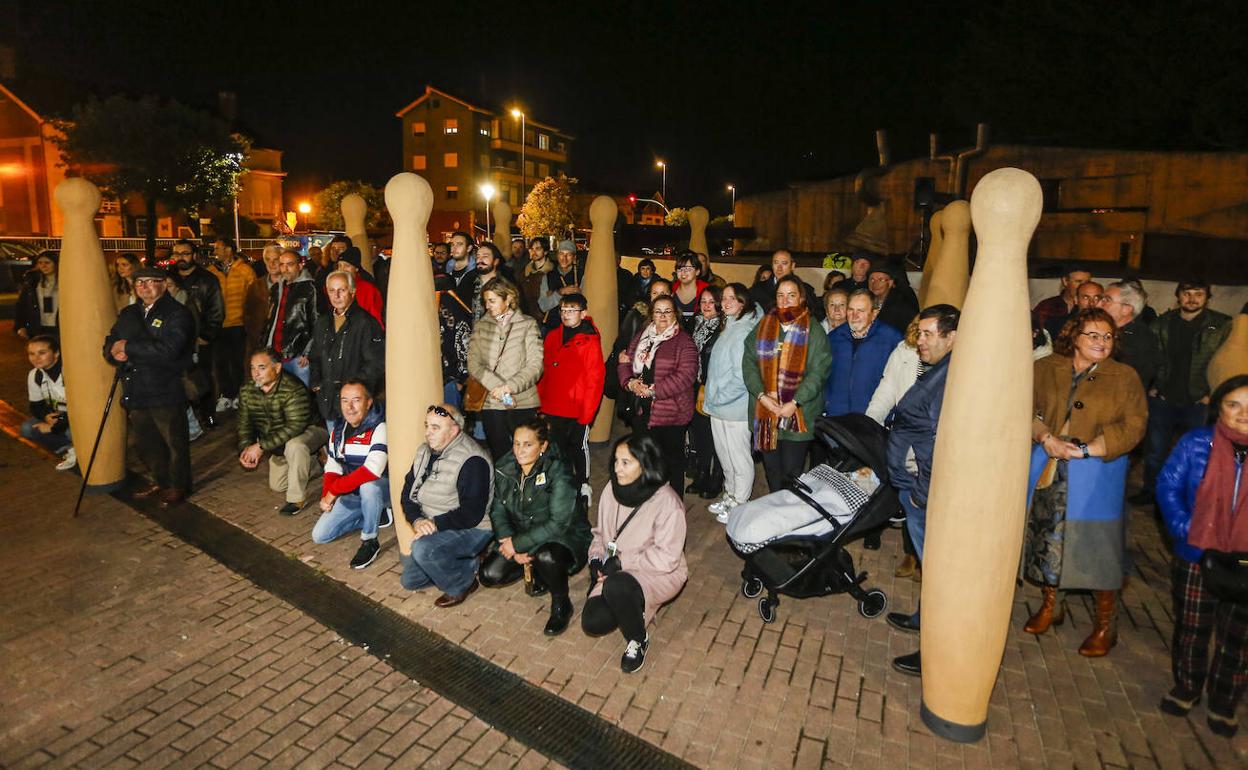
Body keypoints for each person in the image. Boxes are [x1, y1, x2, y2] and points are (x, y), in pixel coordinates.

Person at [1022, 308, 1147, 657]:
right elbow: (1024, 408)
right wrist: (1045, 437)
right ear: (1073, 336)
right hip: (1048, 468)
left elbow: (1135, 426)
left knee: (1098, 549)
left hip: (1096, 475)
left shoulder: (1125, 377)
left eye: (1107, 336)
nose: (1101, 342)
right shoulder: (1045, 368)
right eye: (1092, 335)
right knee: (1047, 539)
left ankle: (1105, 625)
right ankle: (1052, 605)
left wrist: (1090, 449)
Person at [1156, 374, 1248, 737]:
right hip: (1196, 552)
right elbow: (1168, 485)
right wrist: (1185, 526)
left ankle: (1224, 702)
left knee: (1238, 637)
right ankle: (1188, 687)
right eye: (1234, 405)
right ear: (1219, 408)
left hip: (1245, 560)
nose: (1243, 414)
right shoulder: (1197, 442)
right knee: (1193, 627)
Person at [886, 304, 960, 676]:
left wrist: (920, 493)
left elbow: (938, 443)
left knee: (939, 571)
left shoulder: (948, 379)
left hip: (922, 492)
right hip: (913, 485)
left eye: (930, 334)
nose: (921, 340)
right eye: (921, 332)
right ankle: (923, 618)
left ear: (952, 337)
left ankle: (936, 652)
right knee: (931, 570)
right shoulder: (938, 370)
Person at [582, 433, 688, 674]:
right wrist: (597, 558)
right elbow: (601, 533)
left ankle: (638, 639)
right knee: (593, 621)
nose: (617, 469)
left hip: (660, 571)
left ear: (645, 465)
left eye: (626, 463)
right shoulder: (612, 488)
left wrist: (621, 561)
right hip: (617, 567)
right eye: (616, 461)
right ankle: (631, 603)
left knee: (617, 587)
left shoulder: (668, 503)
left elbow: (667, 558)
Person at [481, 417, 592, 635]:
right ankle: (539, 572)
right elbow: (498, 509)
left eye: (527, 444)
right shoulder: (505, 466)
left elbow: (557, 524)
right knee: (489, 574)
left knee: (547, 557)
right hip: (522, 533)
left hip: (565, 537)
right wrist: (507, 540)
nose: (519, 450)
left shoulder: (558, 471)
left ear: (543, 446)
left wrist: (518, 544)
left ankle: (562, 604)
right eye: (516, 443)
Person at [103, 266, 195, 505]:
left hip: (166, 387)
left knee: (173, 441)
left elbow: (169, 349)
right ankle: (160, 480)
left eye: (150, 281)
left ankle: (178, 486)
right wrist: (114, 352)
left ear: (163, 284)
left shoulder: (177, 313)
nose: (144, 287)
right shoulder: (129, 312)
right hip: (136, 388)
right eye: (139, 282)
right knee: (147, 442)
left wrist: (129, 348)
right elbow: (112, 339)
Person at [1137, 279, 1232, 504]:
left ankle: (1191, 497)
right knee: (1155, 451)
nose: (1192, 298)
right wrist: (1153, 386)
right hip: (1163, 398)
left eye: (1198, 293)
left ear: (1207, 297)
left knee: (1198, 454)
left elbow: (1225, 362)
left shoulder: (1222, 325)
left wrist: (1213, 393)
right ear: (1178, 295)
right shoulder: (1161, 323)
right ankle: (1150, 491)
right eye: (1187, 293)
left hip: (1200, 400)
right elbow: (1152, 357)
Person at [396, 404, 494, 607]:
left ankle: (462, 585)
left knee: (424, 551)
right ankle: (468, 563)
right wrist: (418, 520)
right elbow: (407, 494)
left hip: (472, 528)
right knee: (409, 581)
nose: (427, 433)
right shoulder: (424, 452)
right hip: (435, 524)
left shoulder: (472, 460)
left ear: (454, 430)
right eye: (427, 426)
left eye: (435, 427)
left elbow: (472, 514)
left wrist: (433, 524)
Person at [743, 276, 833, 492]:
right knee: (772, 471)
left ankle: (791, 517)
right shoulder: (763, 325)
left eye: (791, 295)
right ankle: (776, 515)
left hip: (798, 415)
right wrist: (763, 397)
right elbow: (749, 364)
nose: (785, 301)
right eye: (780, 295)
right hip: (766, 412)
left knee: (791, 474)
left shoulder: (813, 329)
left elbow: (819, 372)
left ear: (801, 298)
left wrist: (795, 401)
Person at [618, 295, 698, 495]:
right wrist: (630, 382)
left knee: (672, 465)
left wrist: (654, 390)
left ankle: (674, 510)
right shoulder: (641, 336)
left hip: (671, 415)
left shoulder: (684, 341)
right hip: (642, 411)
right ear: (651, 314)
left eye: (667, 311)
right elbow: (625, 362)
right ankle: (648, 504)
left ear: (675, 314)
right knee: (645, 463)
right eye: (658, 311)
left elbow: (685, 377)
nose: (662, 316)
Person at [237, 349, 328, 515]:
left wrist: (261, 446)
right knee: (278, 485)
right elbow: (244, 424)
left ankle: (296, 499)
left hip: (312, 429)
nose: (256, 373)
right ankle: (315, 463)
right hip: (278, 442)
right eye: (252, 368)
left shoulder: (293, 388)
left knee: (296, 445)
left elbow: (295, 426)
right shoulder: (247, 391)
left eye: (261, 367)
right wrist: (246, 449)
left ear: (277, 368)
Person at [312, 380, 391, 569]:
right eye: (344, 400)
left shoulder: (380, 427)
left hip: (383, 489)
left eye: (356, 400)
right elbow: (333, 466)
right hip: (352, 493)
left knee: (368, 486)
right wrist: (326, 495)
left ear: (368, 402)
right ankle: (375, 513)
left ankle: (370, 540)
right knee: (320, 536)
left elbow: (372, 470)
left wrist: (335, 491)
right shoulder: (339, 430)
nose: (349, 407)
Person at [704, 283, 763, 522]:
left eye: (732, 298)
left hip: (734, 407)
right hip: (719, 405)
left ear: (743, 302)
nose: (726, 302)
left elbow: (742, 377)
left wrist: (719, 396)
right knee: (725, 455)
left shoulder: (744, 330)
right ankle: (730, 494)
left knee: (738, 456)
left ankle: (741, 501)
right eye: (724, 298)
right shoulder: (729, 325)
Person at [467, 277, 544, 460]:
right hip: (491, 402)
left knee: (527, 454)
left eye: (492, 301)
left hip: (522, 401)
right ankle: (504, 488)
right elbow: (473, 363)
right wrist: (498, 387)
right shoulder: (481, 326)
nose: (487, 306)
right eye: (485, 301)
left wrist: (509, 388)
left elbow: (535, 366)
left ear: (508, 299)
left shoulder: (528, 325)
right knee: (500, 454)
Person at [537, 293, 605, 499]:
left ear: (583, 313)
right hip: (552, 403)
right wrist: (540, 401)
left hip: (576, 407)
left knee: (578, 446)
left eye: (572, 310)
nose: (566, 315)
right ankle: (560, 483)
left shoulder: (589, 340)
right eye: (563, 310)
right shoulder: (552, 336)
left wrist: (587, 414)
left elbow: (595, 379)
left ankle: (583, 483)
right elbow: (544, 370)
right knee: (555, 447)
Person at [308, 271, 385, 428]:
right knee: (335, 448)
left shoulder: (366, 323)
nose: (336, 295)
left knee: (354, 448)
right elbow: (315, 355)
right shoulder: (322, 322)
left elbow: (375, 363)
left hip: (355, 403)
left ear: (352, 292)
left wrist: (353, 390)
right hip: (327, 399)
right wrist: (316, 382)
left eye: (341, 290)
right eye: (331, 290)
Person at [170, 240, 225, 429]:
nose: (180, 258)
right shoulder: (168, 278)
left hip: (199, 338)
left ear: (194, 255)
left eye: (184, 253)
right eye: (176, 254)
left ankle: (208, 415)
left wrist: (207, 335)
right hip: (174, 340)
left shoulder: (207, 279)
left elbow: (217, 311)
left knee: (203, 378)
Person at [824, 289, 904, 417]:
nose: (854, 316)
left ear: (874, 313)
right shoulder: (834, 338)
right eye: (851, 310)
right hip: (836, 417)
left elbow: (900, 382)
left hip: (873, 419)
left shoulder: (891, 339)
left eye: (860, 311)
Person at [207, 238, 256, 412]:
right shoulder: (211, 272)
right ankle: (225, 395)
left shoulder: (245, 271)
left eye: (218, 248)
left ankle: (239, 394)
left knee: (238, 361)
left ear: (229, 250)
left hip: (238, 324)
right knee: (220, 362)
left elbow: (252, 298)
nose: (215, 252)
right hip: (218, 325)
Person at [688, 286, 724, 499]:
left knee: (715, 436)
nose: (707, 306)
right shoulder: (695, 323)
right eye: (703, 301)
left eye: (711, 302)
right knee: (699, 435)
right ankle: (701, 474)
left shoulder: (723, 328)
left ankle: (716, 478)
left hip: (713, 388)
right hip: (695, 386)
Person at [264, 249, 318, 387]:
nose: (285, 268)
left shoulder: (310, 288)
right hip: (275, 354)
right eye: (282, 264)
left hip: (298, 355)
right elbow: (271, 320)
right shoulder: (277, 288)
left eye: (290, 264)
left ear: (300, 266)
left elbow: (317, 322)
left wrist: (308, 352)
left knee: (301, 398)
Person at [22, 334, 75, 470]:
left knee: (71, 432)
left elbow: (83, 410)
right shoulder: (35, 374)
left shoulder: (71, 371)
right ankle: (69, 447)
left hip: (78, 419)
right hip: (59, 417)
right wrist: (46, 416)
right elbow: (36, 405)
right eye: (31, 354)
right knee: (27, 428)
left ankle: (78, 449)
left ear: (56, 353)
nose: (36, 358)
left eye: (42, 353)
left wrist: (54, 427)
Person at [1097, 280, 1161, 392]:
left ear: (1126, 309)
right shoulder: (1105, 331)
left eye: (1107, 300)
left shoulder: (1140, 340)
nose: (1098, 304)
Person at [436, 275, 474, 409]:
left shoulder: (454, 310)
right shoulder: (461, 309)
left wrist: (461, 378)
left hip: (450, 379)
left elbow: (463, 345)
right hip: (449, 377)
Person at [749, 249, 822, 319]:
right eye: (776, 263)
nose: (779, 268)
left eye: (784, 263)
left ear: (792, 266)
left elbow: (817, 314)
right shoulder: (758, 288)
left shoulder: (805, 289)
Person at [244, 243, 283, 355]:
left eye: (276, 259)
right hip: (260, 345)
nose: (272, 263)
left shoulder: (292, 285)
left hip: (284, 346)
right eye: (268, 259)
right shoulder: (255, 286)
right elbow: (248, 314)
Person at [537, 240, 584, 331]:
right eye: (561, 254)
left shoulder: (581, 276)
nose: (564, 258)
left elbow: (584, 304)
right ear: (557, 255)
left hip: (575, 327)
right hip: (552, 327)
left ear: (574, 257)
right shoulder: (548, 277)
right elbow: (543, 306)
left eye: (569, 255)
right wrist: (560, 293)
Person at [866, 259, 919, 336]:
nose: (875, 284)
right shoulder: (865, 301)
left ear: (890, 283)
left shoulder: (901, 305)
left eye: (881, 280)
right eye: (872, 279)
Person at [1032, 265, 1093, 332]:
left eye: (1087, 282)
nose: (1083, 286)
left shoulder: (1094, 306)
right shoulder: (1047, 306)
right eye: (1078, 281)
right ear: (1065, 281)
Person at [335, 247, 384, 328]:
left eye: (347, 266)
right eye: (339, 265)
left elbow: (375, 318)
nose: (342, 269)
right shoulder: (335, 286)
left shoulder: (367, 289)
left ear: (356, 268)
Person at [14, 252, 59, 338]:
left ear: (56, 264)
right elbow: (21, 306)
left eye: (47, 263)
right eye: (40, 263)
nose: (43, 266)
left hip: (60, 327)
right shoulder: (32, 283)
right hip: (38, 327)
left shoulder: (65, 283)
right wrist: (21, 326)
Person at [670, 252, 709, 329]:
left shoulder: (707, 291)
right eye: (680, 269)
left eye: (688, 269)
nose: (683, 272)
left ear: (697, 271)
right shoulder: (670, 290)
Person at [520, 238, 553, 321]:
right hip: (527, 317)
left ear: (545, 251)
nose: (534, 252)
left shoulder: (552, 272)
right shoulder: (524, 272)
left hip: (547, 319)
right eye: (531, 249)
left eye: (538, 249)